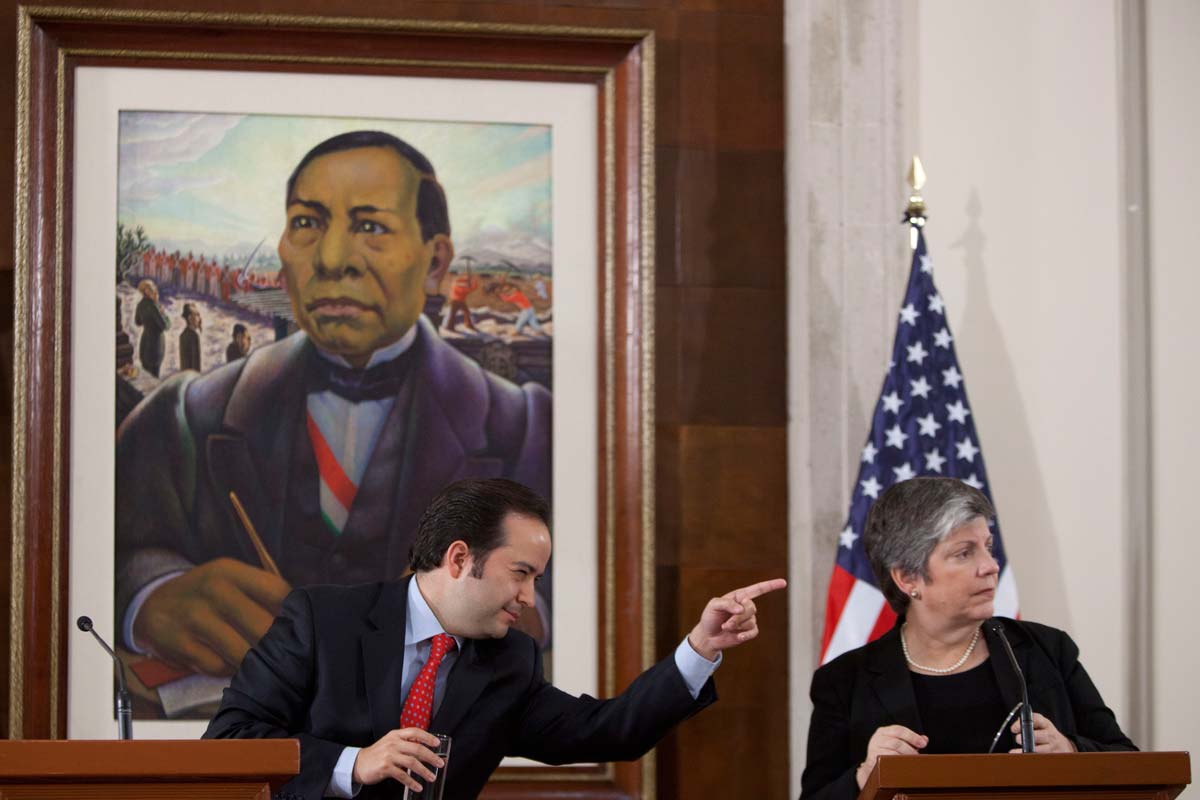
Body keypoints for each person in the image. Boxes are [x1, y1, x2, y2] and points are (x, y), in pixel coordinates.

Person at [114, 130, 551, 684]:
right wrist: (152, 596)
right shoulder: (185, 416)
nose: (331, 258)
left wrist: (521, 609)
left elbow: (582, 592)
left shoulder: (527, 429)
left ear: (435, 261)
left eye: (371, 227)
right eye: (306, 222)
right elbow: (109, 549)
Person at [205, 477, 786, 799]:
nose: (529, 598)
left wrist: (700, 648)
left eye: (537, 580)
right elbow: (229, 742)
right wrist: (354, 763)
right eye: (521, 574)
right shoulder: (322, 619)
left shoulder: (511, 661)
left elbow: (610, 730)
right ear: (460, 559)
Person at [800, 477, 1135, 800]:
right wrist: (865, 775)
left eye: (988, 547)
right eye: (964, 553)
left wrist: (1071, 751)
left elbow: (1129, 763)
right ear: (908, 577)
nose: (990, 566)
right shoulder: (844, 682)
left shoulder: (1045, 650)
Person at [133, 279, 170, 378]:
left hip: (145, 343)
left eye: (152, 287)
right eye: (150, 288)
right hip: (155, 346)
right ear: (145, 291)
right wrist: (162, 312)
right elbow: (166, 326)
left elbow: (138, 322)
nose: (153, 289)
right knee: (154, 376)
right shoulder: (154, 306)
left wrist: (147, 321)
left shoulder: (140, 305)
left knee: (146, 374)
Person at [442, 265, 479, 333]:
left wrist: (472, 281)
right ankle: (450, 327)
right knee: (454, 314)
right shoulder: (457, 282)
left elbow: (473, 287)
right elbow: (464, 289)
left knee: (465, 312)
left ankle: (468, 324)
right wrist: (469, 286)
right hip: (456, 300)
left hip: (461, 300)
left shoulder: (464, 280)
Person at [179, 303, 203, 372]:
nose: (199, 318)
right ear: (190, 318)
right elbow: (196, 365)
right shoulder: (194, 336)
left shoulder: (183, 335)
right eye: (197, 315)